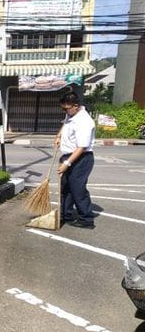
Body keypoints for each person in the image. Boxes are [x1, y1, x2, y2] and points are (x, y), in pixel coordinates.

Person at [55, 92, 96, 229]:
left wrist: (67, 164)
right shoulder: (71, 114)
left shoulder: (84, 121)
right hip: (68, 155)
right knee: (66, 187)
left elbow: (81, 147)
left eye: (66, 109)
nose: (65, 111)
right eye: (63, 109)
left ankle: (86, 219)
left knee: (77, 189)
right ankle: (65, 215)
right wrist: (59, 136)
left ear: (76, 106)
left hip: (81, 158)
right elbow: (65, 123)